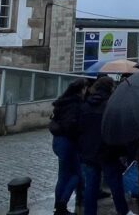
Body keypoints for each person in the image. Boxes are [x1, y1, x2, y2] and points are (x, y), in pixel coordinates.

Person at [77, 76, 134, 215]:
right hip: (108, 152)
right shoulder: (111, 106)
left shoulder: (85, 106)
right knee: (115, 185)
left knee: (91, 187)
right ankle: (123, 211)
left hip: (89, 153)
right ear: (110, 88)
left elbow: (79, 129)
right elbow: (117, 130)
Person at [50, 78, 88, 215]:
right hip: (69, 143)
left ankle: (58, 206)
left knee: (63, 175)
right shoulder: (75, 105)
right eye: (84, 88)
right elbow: (71, 125)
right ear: (80, 90)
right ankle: (61, 205)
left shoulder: (62, 102)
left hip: (58, 141)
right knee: (76, 175)